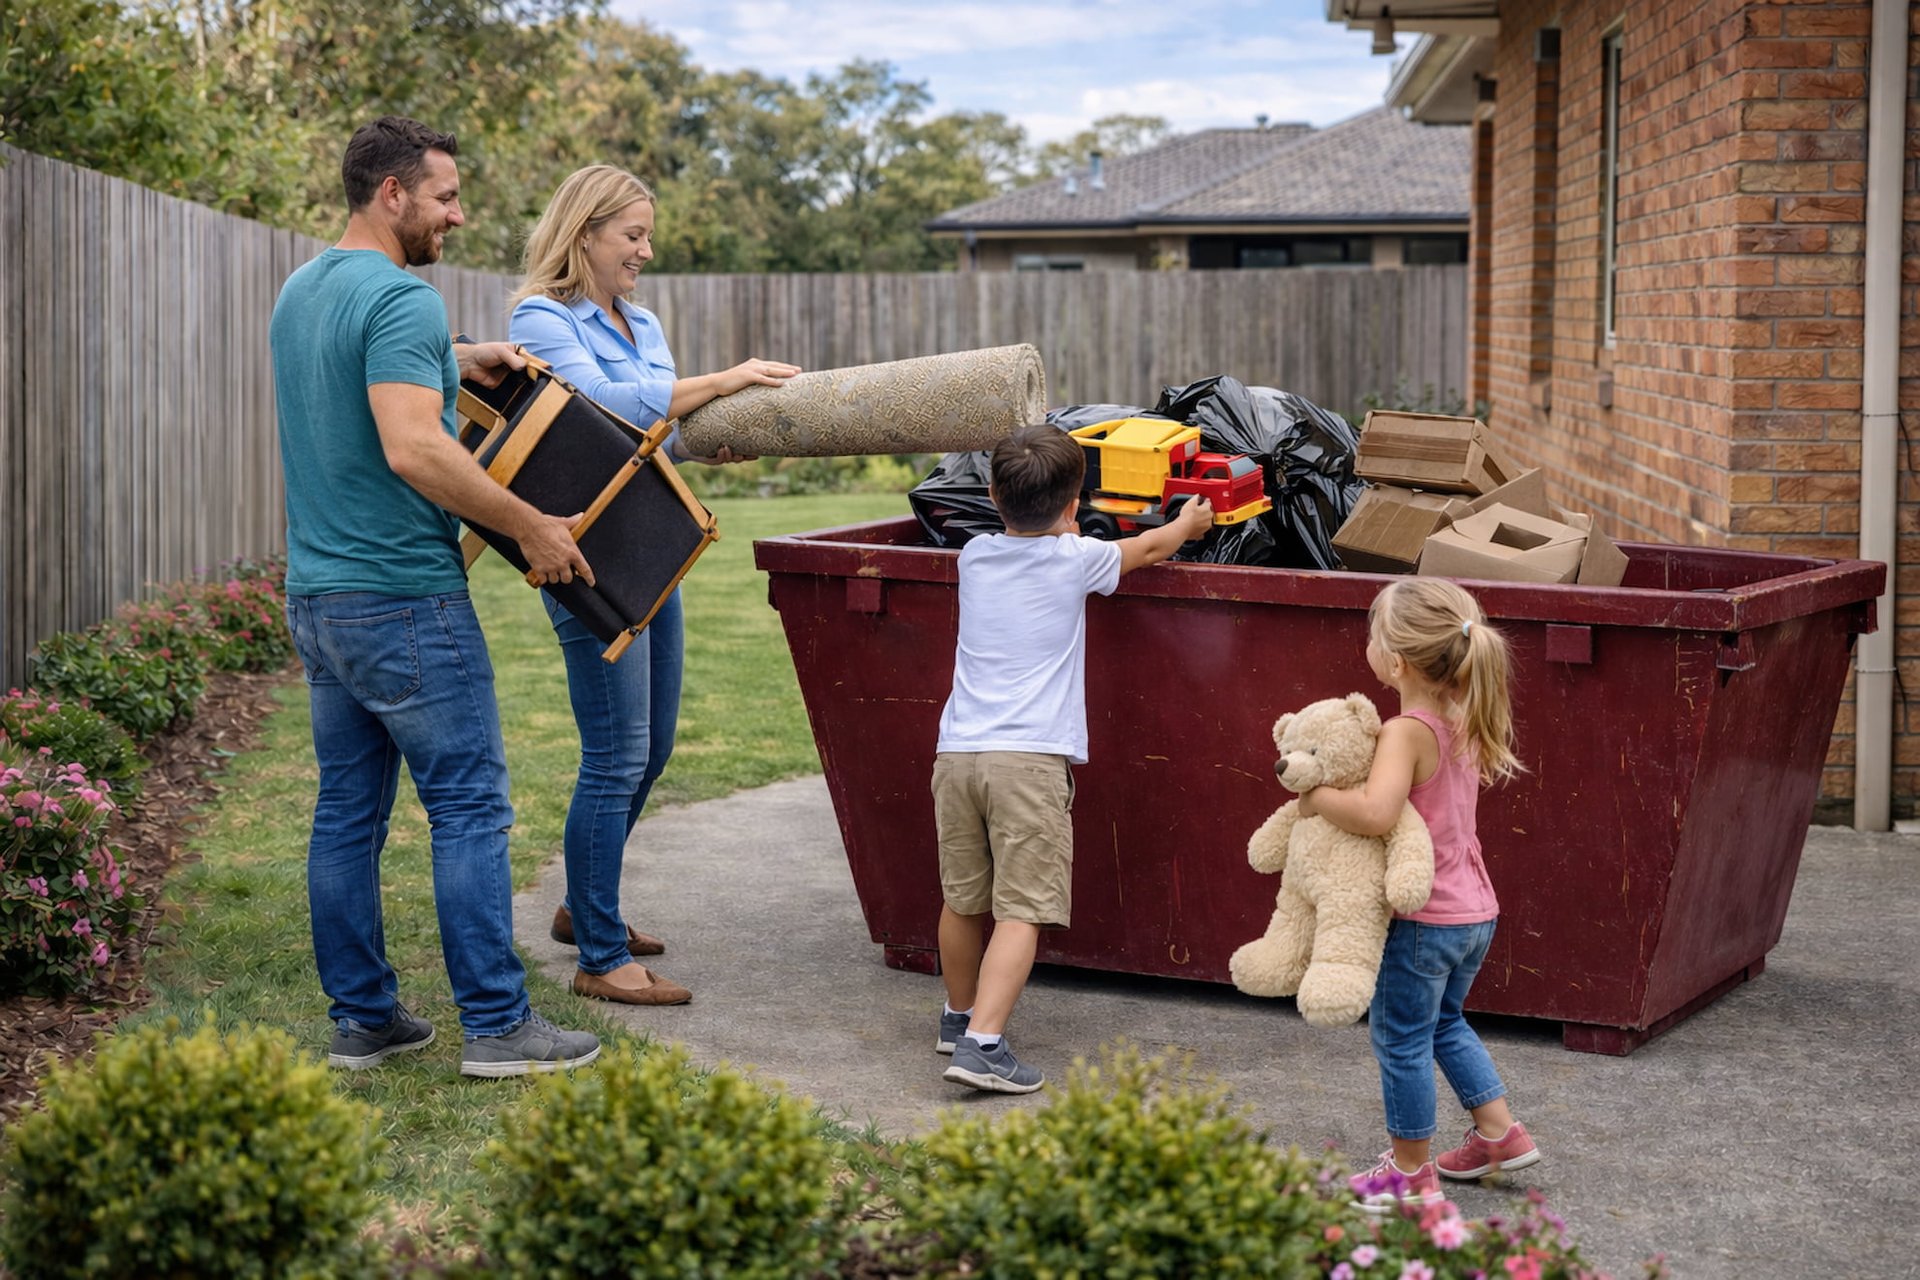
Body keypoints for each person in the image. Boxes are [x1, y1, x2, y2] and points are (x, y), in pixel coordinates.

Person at [270, 115, 602, 1078]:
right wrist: (532, 525)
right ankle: (499, 1027)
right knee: (467, 806)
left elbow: (354, 380)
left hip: (321, 597)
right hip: (404, 598)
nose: (458, 215)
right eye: (446, 197)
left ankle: (364, 1020)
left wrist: (457, 359)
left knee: (345, 814)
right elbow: (415, 447)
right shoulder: (404, 299)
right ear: (393, 195)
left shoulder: (302, 291)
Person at [508, 164, 799, 1006]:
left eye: (645, 233)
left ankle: (582, 903)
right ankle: (601, 955)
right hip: (586, 555)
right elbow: (598, 406)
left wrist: (707, 431)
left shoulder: (643, 322)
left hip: (655, 544)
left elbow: (657, 434)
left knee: (654, 747)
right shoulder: (540, 315)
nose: (645, 249)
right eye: (631, 234)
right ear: (585, 232)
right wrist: (717, 382)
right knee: (614, 755)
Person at [931, 425, 1213, 1093]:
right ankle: (983, 1046)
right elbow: (1150, 545)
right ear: (1074, 504)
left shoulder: (974, 555)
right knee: (1023, 907)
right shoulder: (1076, 559)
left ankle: (956, 1015)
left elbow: (1026, 526)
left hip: (958, 755)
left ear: (993, 494)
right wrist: (1190, 521)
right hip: (1026, 763)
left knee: (963, 899)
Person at [1294, 577, 1542, 1212]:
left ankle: (1408, 1174)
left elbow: (1377, 813)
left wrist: (1315, 797)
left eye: (1373, 636)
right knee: (1445, 1023)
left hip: (1422, 917)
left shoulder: (1407, 731)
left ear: (1395, 661)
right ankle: (1499, 1134)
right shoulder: (1463, 716)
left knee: (1400, 1038)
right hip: (1473, 913)